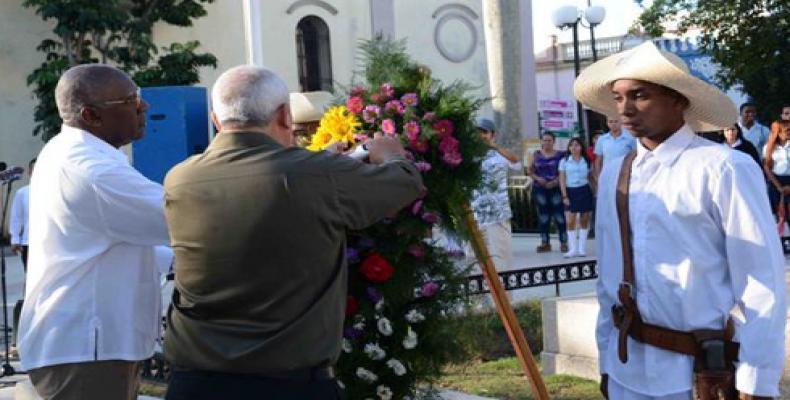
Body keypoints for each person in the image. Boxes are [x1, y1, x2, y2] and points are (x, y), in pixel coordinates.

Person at [162, 65, 423, 400]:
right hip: (289, 384)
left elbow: (262, 189)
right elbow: (404, 184)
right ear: (285, 115)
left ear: (216, 120)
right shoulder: (315, 176)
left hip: (196, 383)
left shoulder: (179, 179)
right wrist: (391, 154)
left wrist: (319, 164)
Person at [575, 41, 785, 399]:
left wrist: (756, 380)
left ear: (678, 100)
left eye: (639, 95)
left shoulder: (723, 168)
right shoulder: (615, 173)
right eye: (618, 97)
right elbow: (609, 277)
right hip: (627, 369)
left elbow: (761, 280)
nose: (625, 108)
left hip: (696, 376)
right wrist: (606, 362)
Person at [17, 64, 173, 400]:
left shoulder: (73, 151)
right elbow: (181, 217)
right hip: (87, 348)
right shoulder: (92, 169)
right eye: (130, 100)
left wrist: (178, 260)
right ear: (91, 116)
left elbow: (114, 242)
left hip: (88, 345)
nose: (142, 107)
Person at [470, 117, 522, 270]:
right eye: (477, 133)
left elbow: (517, 163)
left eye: (484, 132)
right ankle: (482, 294)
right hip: (475, 215)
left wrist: (495, 147)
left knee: (501, 260)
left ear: (492, 135)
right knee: (475, 262)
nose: (481, 136)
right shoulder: (469, 155)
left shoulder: (500, 154)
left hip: (497, 215)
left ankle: (504, 294)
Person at [528, 132, 567, 253]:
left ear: (554, 141)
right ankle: (545, 243)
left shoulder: (561, 155)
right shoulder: (535, 155)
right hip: (540, 188)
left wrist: (556, 181)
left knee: (559, 216)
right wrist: (538, 178)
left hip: (555, 188)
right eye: (544, 140)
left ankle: (563, 242)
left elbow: (564, 171)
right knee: (543, 217)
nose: (547, 143)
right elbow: (530, 171)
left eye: (549, 140)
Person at [558, 137, 594, 258]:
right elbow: (562, 179)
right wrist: (564, 196)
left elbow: (591, 177)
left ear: (581, 147)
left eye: (577, 145)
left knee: (584, 219)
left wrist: (595, 189)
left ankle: (581, 248)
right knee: (570, 220)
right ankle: (572, 248)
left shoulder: (587, 160)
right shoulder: (564, 161)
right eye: (572, 145)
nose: (574, 147)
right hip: (570, 191)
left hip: (584, 190)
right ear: (569, 148)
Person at [9, 158, 35, 270]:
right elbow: (16, 217)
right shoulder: (22, 193)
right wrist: (15, 239)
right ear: (29, 173)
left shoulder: (56, 192)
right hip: (29, 242)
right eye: (34, 170)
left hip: (51, 242)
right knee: (30, 277)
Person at [763, 120, 790, 224]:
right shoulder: (769, 147)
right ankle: (781, 238)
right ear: (778, 132)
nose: (789, 132)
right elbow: (767, 168)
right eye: (787, 130)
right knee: (778, 214)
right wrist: (779, 187)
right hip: (775, 181)